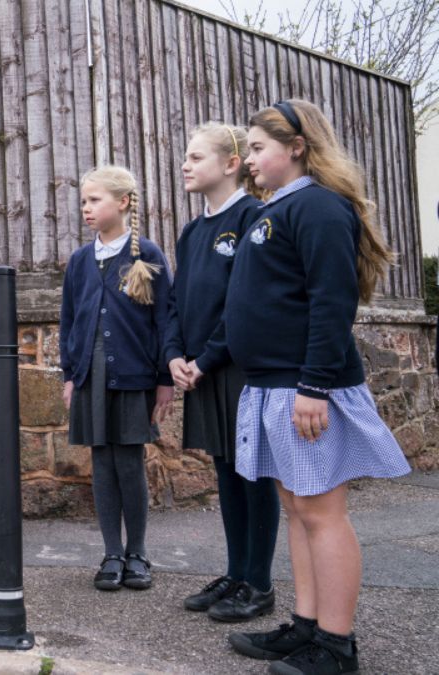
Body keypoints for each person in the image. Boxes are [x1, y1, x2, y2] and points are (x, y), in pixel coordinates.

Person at [224, 99, 409, 675]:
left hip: (302, 386)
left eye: (258, 148)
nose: (249, 159)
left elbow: (332, 302)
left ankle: (336, 646)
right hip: (273, 385)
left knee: (322, 512)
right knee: (297, 508)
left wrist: (314, 385)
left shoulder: (319, 206)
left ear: (297, 147)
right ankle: (305, 627)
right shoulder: (275, 207)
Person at [168, 123, 280, 622]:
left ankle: (259, 583)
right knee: (226, 472)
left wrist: (206, 358)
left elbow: (245, 305)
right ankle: (236, 574)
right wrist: (174, 355)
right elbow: (175, 303)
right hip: (199, 369)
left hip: (238, 368)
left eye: (196, 157)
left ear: (232, 164)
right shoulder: (192, 232)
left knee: (253, 473)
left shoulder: (254, 217)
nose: (185, 165)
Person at [59, 165, 174, 592]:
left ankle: (137, 553)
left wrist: (165, 378)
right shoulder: (79, 261)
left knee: (129, 461)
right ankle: (111, 553)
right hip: (90, 375)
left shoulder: (147, 254)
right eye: (83, 201)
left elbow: (165, 319)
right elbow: (69, 321)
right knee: (102, 462)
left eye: (95, 200)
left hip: (133, 375)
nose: (86, 208)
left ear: (123, 202)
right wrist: (70, 374)